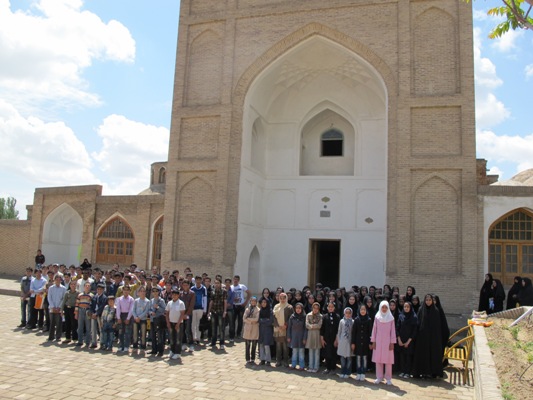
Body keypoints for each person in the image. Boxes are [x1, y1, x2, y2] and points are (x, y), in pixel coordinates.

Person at [413, 294, 443, 378]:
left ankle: (432, 372)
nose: (428, 302)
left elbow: (437, 326)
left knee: (432, 355)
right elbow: (418, 323)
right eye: (427, 300)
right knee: (422, 355)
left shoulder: (436, 311)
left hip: (432, 338)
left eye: (430, 300)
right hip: (422, 338)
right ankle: (421, 372)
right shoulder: (421, 309)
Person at [371, 300, 396, 385]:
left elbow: (393, 331)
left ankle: (388, 378)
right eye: (383, 307)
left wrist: (392, 342)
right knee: (378, 360)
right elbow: (374, 330)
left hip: (388, 342)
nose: (384, 309)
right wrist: (373, 341)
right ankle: (379, 377)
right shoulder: (377, 317)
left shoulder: (391, 318)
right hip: (378, 341)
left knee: (388, 361)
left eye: (386, 307)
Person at [396, 301, 417, 378]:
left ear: (410, 308)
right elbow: (397, 328)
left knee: (408, 357)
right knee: (402, 357)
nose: (406, 308)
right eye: (405, 307)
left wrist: (408, 341)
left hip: (409, 341)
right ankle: (402, 371)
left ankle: (407, 372)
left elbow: (414, 331)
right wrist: (399, 339)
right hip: (401, 340)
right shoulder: (401, 316)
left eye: (408, 307)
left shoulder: (414, 317)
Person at [352, 303, 372, 381]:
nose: (363, 311)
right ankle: (358, 372)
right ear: (359, 310)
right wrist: (353, 343)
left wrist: (370, 343)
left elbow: (370, 332)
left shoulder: (369, 320)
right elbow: (354, 332)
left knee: (364, 358)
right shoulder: (356, 319)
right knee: (358, 358)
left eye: (364, 309)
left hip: (366, 342)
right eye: (361, 309)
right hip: (357, 342)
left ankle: (363, 373)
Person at [273, 292, 293, 367]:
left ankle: (285, 361)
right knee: (278, 346)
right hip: (278, 329)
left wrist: (285, 325)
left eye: (284, 298)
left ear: (286, 298)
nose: (282, 300)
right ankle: (278, 361)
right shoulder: (276, 306)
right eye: (280, 298)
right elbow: (274, 317)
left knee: (285, 346)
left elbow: (291, 318)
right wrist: (277, 326)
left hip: (285, 329)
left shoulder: (289, 307)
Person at [165, 289, 186, 360]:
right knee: (171, 338)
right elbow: (167, 313)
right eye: (173, 294)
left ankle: (177, 353)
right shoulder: (169, 303)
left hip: (178, 323)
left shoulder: (181, 303)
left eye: (176, 295)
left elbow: (182, 314)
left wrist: (178, 323)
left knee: (178, 339)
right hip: (171, 322)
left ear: (178, 295)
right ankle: (172, 351)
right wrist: (168, 323)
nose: (174, 296)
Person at [321, 301, 340, 374]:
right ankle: (328, 368)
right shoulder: (324, 316)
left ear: (334, 308)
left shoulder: (337, 317)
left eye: (332, 307)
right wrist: (322, 339)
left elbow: (338, 329)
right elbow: (322, 328)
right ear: (327, 308)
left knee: (333, 354)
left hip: (334, 338)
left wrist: (336, 339)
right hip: (326, 338)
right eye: (329, 307)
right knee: (327, 353)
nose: (330, 308)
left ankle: (333, 368)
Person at [208, 278, 227, 350]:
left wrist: (225, 311)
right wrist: (209, 312)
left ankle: (222, 343)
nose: (216, 284)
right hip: (213, 311)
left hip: (221, 311)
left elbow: (225, 302)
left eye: (218, 283)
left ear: (220, 284)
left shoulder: (224, 291)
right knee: (213, 328)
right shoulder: (212, 292)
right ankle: (213, 342)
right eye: (215, 283)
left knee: (221, 328)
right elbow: (211, 302)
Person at [47, 274, 66, 342]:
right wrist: (53, 307)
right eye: (56, 279)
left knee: (59, 323)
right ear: (54, 280)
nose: (58, 281)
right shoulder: (51, 288)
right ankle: (51, 336)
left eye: (59, 280)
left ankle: (58, 337)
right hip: (52, 308)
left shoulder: (63, 288)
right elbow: (49, 298)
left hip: (59, 308)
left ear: (61, 280)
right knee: (52, 323)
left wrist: (59, 307)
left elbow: (63, 299)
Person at [287, 302, 306, 370]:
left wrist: (304, 338)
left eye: (299, 308)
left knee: (301, 352)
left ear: (302, 309)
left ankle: (301, 366)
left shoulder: (304, 317)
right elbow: (289, 327)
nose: (298, 309)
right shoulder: (292, 317)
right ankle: (293, 365)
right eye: (297, 308)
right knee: (294, 351)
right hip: (294, 336)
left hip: (301, 337)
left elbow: (305, 329)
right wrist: (288, 336)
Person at [335, 307, 354, 378]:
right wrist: (338, 340)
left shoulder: (353, 322)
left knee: (349, 358)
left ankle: (348, 372)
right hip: (342, 341)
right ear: (344, 313)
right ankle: (342, 371)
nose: (348, 314)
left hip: (349, 342)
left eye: (349, 313)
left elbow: (353, 332)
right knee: (342, 358)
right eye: (346, 313)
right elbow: (339, 331)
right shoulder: (341, 321)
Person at [115, 284, 134, 352]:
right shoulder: (119, 299)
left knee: (127, 332)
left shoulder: (131, 299)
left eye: (127, 290)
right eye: (124, 290)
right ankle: (121, 345)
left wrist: (128, 318)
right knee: (121, 332)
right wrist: (118, 317)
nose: (126, 291)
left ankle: (126, 346)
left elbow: (131, 309)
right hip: (121, 315)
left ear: (129, 291)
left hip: (128, 315)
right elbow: (118, 308)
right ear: (122, 291)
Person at [306, 302, 323, 373]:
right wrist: (311, 326)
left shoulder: (321, 316)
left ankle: (316, 367)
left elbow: (320, 325)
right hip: (310, 334)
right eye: (314, 308)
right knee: (311, 352)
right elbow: (307, 324)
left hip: (317, 334)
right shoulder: (308, 315)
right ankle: (310, 366)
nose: (315, 309)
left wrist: (313, 326)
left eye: (317, 308)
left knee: (316, 352)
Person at [75, 282, 93, 347]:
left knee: (88, 327)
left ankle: (88, 342)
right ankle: (80, 341)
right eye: (86, 286)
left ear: (90, 287)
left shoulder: (91, 295)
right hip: (80, 310)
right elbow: (77, 304)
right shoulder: (80, 295)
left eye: (88, 286)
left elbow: (92, 305)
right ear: (84, 287)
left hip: (87, 311)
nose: (87, 287)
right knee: (80, 326)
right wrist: (76, 313)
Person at [149, 286, 166, 357]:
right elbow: (149, 309)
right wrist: (151, 313)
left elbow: (164, 310)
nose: (155, 293)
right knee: (153, 335)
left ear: (159, 292)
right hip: (152, 320)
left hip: (159, 320)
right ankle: (154, 350)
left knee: (159, 336)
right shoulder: (151, 301)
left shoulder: (161, 300)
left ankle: (160, 351)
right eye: (153, 291)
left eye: (156, 291)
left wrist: (158, 307)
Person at [243, 296, 260, 364]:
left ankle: (253, 358)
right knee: (247, 345)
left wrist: (249, 319)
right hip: (248, 328)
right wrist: (251, 321)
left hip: (255, 328)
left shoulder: (258, 310)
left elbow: (256, 319)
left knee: (254, 345)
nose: (253, 302)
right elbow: (244, 318)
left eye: (254, 301)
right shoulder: (247, 309)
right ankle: (247, 358)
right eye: (252, 301)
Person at [90, 283, 108, 348]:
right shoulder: (94, 297)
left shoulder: (104, 298)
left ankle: (102, 343)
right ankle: (94, 342)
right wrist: (92, 313)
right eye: (98, 289)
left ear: (103, 290)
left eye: (100, 289)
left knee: (101, 329)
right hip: (93, 314)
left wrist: (97, 313)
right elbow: (91, 305)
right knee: (93, 329)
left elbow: (102, 306)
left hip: (100, 315)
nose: (99, 290)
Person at [191, 276, 208, 345]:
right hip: (193, 308)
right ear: (195, 281)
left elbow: (205, 299)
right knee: (193, 323)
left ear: (201, 281)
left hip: (200, 308)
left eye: (199, 280)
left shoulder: (203, 289)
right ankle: (193, 338)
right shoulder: (192, 288)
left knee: (198, 323)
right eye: (197, 280)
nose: (198, 281)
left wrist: (205, 309)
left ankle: (198, 338)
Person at [258, 298, 274, 365]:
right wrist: (265, 320)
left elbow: (270, 321)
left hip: (268, 330)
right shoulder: (260, 310)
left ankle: (268, 360)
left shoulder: (270, 311)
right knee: (261, 345)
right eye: (262, 302)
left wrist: (263, 321)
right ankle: (262, 359)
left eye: (265, 302)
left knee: (267, 345)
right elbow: (258, 320)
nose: (263, 304)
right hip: (261, 329)